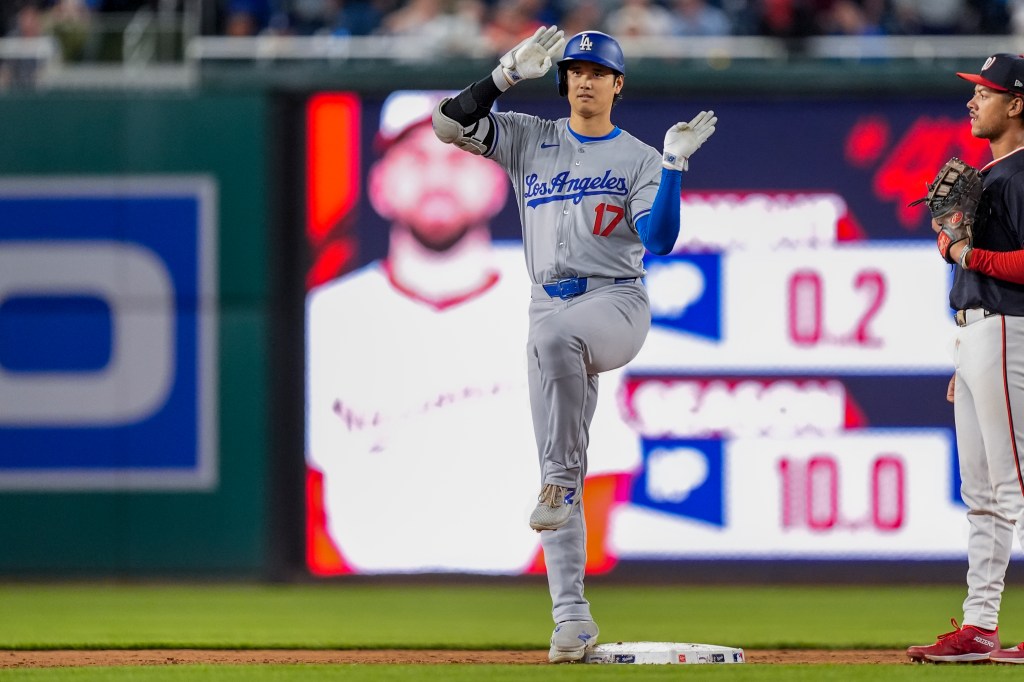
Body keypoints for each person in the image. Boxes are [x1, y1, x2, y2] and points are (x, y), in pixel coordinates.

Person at [432, 26, 716, 662]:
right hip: (547, 305)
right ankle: (571, 621)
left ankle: (560, 483)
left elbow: (662, 239)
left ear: (618, 84)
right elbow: (447, 127)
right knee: (553, 442)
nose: (583, 79)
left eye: (597, 71)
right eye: (574, 70)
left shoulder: (641, 157)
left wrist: (672, 166)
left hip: (616, 302)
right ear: (563, 81)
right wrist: (501, 78)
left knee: (557, 455)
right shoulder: (533, 136)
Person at [306, 90, 640, 576]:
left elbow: (601, 475)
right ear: (379, 185)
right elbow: (300, 488)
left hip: (520, 600)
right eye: (417, 159)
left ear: (499, 183)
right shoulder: (326, 315)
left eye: (461, 157)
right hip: (356, 598)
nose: (438, 177)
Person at [906, 53, 1024, 664]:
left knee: (1016, 488)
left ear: (1018, 103)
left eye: (987, 92)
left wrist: (963, 254)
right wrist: (967, 359)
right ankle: (980, 626)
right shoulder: (997, 172)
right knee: (980, 492)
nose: (973, 101)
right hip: (980, 332)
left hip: (1010, 330)